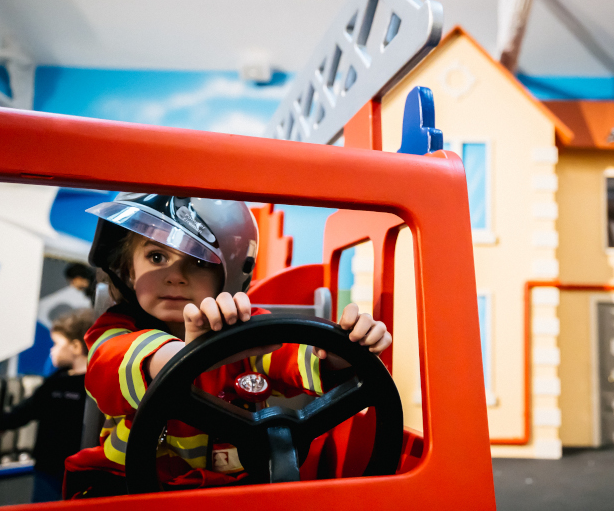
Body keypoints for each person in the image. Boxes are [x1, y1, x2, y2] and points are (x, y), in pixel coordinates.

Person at [63, 193, 391, 498]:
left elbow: (290, 353)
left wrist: (337, 354)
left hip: (231, 492)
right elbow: (108, 366)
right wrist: (188, 355)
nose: (175, 276)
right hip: (130, 486)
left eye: (199, 260)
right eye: (157, 256)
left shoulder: (244, 324)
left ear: (232, 273)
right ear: (127, 270)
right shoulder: (115, 329)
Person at [0, 308, 93, 502]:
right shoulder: (56, 381)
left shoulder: (92, 384)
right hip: (47, 466)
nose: (52, 350)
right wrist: (3, 424)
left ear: (76, 347)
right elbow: (31, 407)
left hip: (79, 468)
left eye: (57, 344)